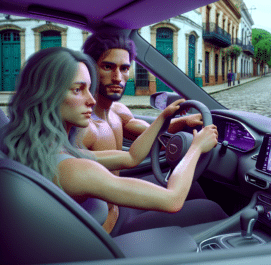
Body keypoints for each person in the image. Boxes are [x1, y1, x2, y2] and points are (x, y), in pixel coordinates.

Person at [0, 47, 227, 236]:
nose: (90, 100)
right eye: (78, 90)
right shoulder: (73, 169)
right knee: (211, 209)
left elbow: (131, 158)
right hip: (107, 242)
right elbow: (172, 200)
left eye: (89, 88)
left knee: (196, 192)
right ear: (46, 95)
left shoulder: (44, 150)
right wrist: (195, 148)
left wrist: (163, 118)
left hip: (97, 230)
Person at [81, 33, 227, 235]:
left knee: (194, 188)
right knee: (211, 210)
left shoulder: (117, 112)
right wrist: (196, 147)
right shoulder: (83, 128)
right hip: (108, 229)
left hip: (118, 202)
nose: (118, 78)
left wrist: (182, 120)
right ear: (90, 69)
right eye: (108, 67)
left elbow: (146, 135)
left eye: (124, 68)